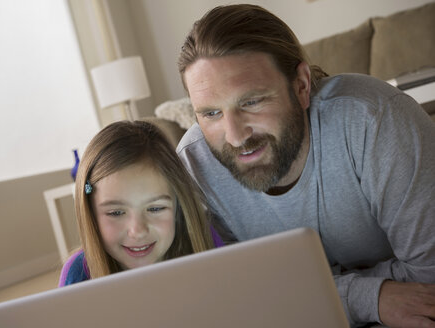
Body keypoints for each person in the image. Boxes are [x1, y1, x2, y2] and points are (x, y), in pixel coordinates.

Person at [176, 4, 435, 328]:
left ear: (301, 85)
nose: (235, 136)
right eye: (211, 114)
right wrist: (368, 296)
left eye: (251, 102)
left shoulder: (375, 121)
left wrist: (297, 294)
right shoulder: (194, 166)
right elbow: (237, 299)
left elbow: (428, 287)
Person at [58, 120, 222, 287]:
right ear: (90, 212)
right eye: (116, 213)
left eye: (155, 208)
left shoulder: (204, 241)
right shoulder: (78, 274)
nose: (137, 231)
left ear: (178, 206)